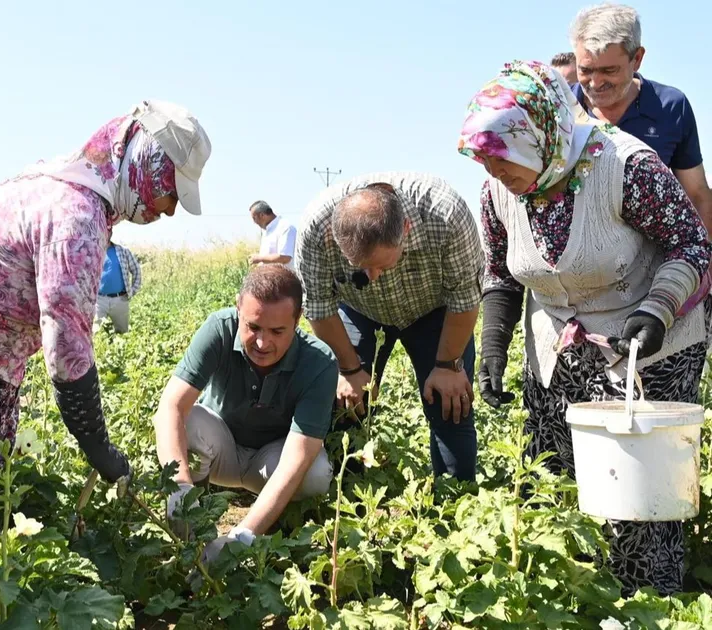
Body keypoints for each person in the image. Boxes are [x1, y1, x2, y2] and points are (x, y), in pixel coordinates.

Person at [0, 99, 211, 560]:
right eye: (171, 190)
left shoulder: (62, 181)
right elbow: (67, 344)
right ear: (144, 163)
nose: (169, 210)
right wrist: (99, 447)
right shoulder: (75, 215)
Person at [459, 60, 710, 595]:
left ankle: (649, 608)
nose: (494, 174)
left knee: (637, 504)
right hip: (559, 349)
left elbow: (691, 245)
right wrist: (494, 349)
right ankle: (574, 601)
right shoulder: (498, 189)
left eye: (502, 160)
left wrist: (657, 310)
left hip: (648, 345)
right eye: (485, 163)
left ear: (540, 136)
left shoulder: (627, 166)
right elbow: (501, 271)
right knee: (552, 485)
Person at [294, 173, 483, 483]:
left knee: (451, 405)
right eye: (361, 267)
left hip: (434, 309)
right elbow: (319, 306)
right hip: (358, 310)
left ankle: (454, 500)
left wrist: (448, 365)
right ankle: (346, 495)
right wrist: (349, 370)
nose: (373, 276)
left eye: (382, 264)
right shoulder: (316, 228)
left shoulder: (446, 214)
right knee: (345, 405)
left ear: (406, 230)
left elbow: (464, 298)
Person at [155, 264, 336, 563]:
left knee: (316, 473)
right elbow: (170, 407)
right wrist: (180, 488)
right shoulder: (219, 329)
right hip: (220, 449)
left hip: (270, 463)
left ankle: (280, 531)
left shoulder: (319, 361)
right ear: (238, 308)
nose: (263, 343)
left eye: (278, 331)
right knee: (186, 421)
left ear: (297, 319)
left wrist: (242, 537)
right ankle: (193, 528)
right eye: (253, 327)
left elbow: (297, 459)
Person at [569, 3, 712, 232]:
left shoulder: (671, 107)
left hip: (654, 262)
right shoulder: (560, 110)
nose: (595, 83)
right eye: (585, 70)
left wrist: (704, 262)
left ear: (637, 59)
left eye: (609, 71)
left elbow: (696, 194)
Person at [96, 240, 142, 333]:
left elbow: (136, 270)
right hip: (99, 300)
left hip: (120, 299)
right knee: (96, 333)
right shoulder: (93, 250)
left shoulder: (123, 251)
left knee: (122, 333)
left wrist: (132, 291)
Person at [249, 200, 297, 270]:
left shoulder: (285, 227)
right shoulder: (266, 231)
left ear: (262, 215)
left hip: (284, 279)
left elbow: (285, 258)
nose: (254, 222)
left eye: (254, 218)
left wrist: (259, 258)